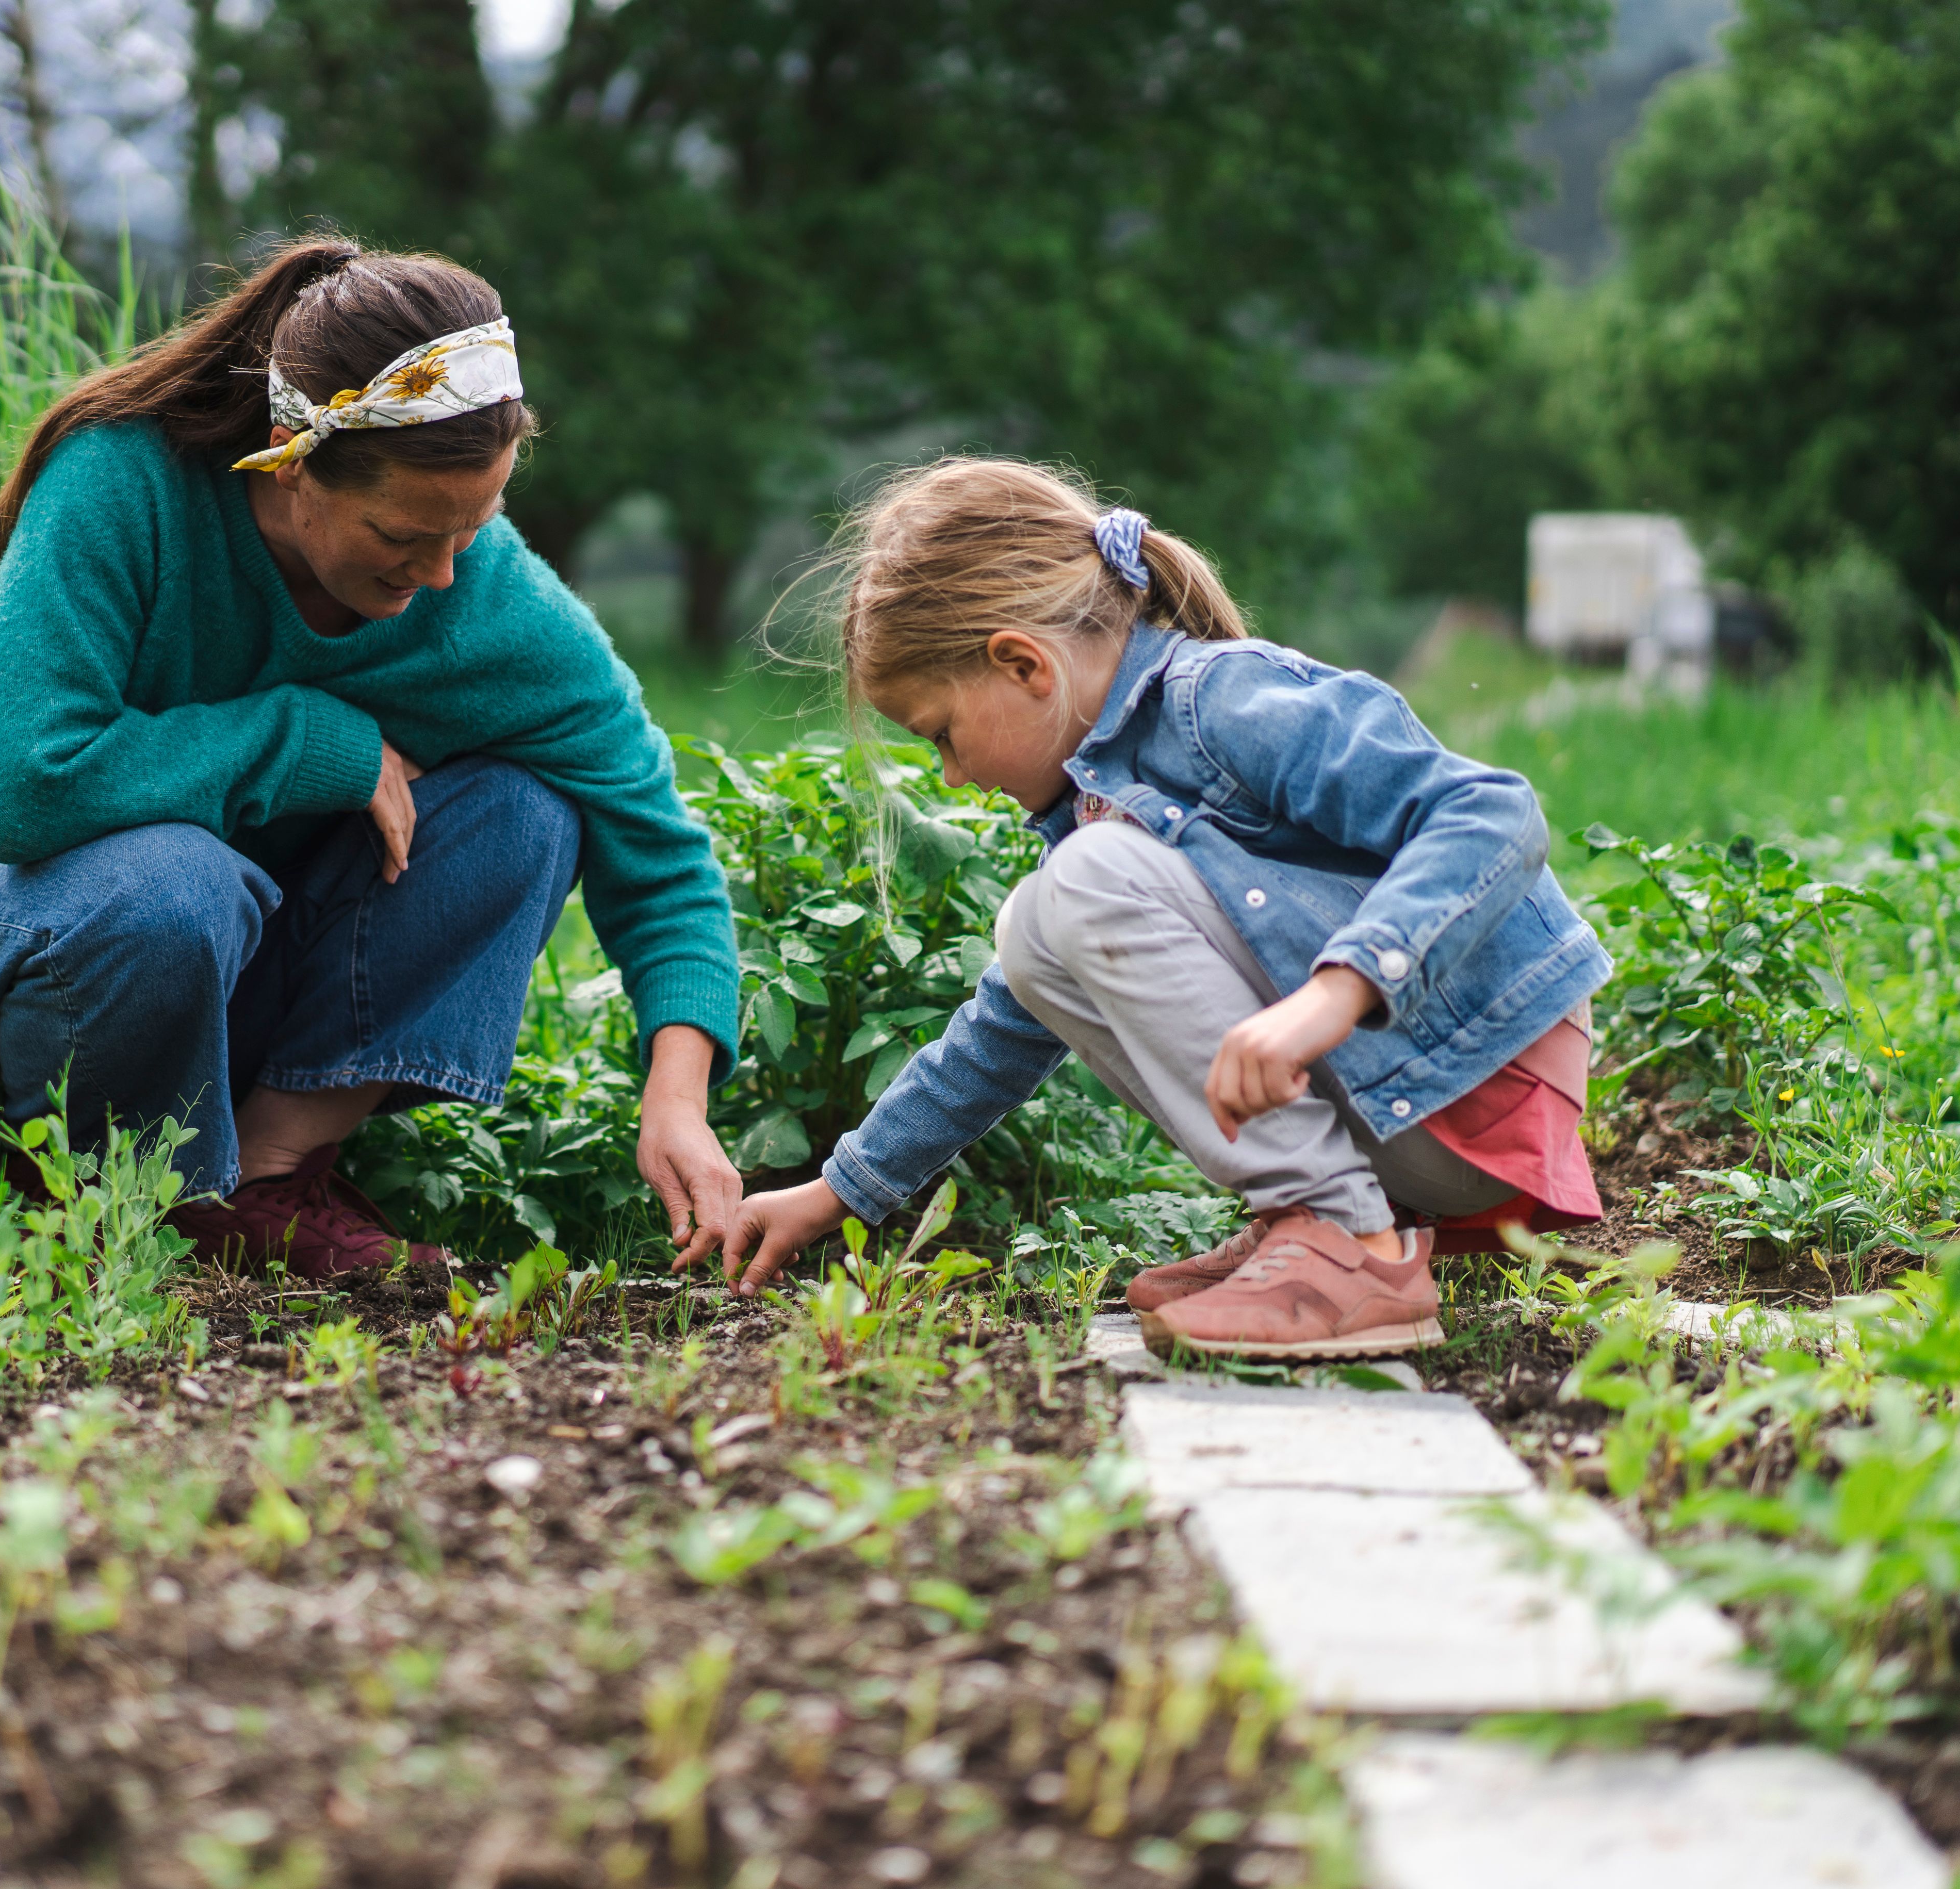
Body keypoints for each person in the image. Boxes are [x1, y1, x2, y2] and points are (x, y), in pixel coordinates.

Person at [0, 237, 744, 1276]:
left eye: (474, 528)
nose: (443, 574)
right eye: (402, 535)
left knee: (526, 815)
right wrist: (306, 738)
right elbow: (29, 786)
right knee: (174, 877)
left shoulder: (492, 600)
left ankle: (265, 1176)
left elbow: (656, 845)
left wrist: (677, 1096)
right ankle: (92, 1190)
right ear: (290, 455)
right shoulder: (124, 482)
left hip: (199, 961)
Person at [678, 458, 1609, 1359]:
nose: (955, 776)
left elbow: (1490, 813)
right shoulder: (1100, 804)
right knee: (1036, 935)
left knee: (1075, 886)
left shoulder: (1223, 698)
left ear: (1023, 664)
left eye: (943, 737)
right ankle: (1324, 1219)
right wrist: (841, 1190)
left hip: (1477, 1086)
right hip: (1410, 1110)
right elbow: (1002, 1030)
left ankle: (1343, 1238)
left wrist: (1337, 993)